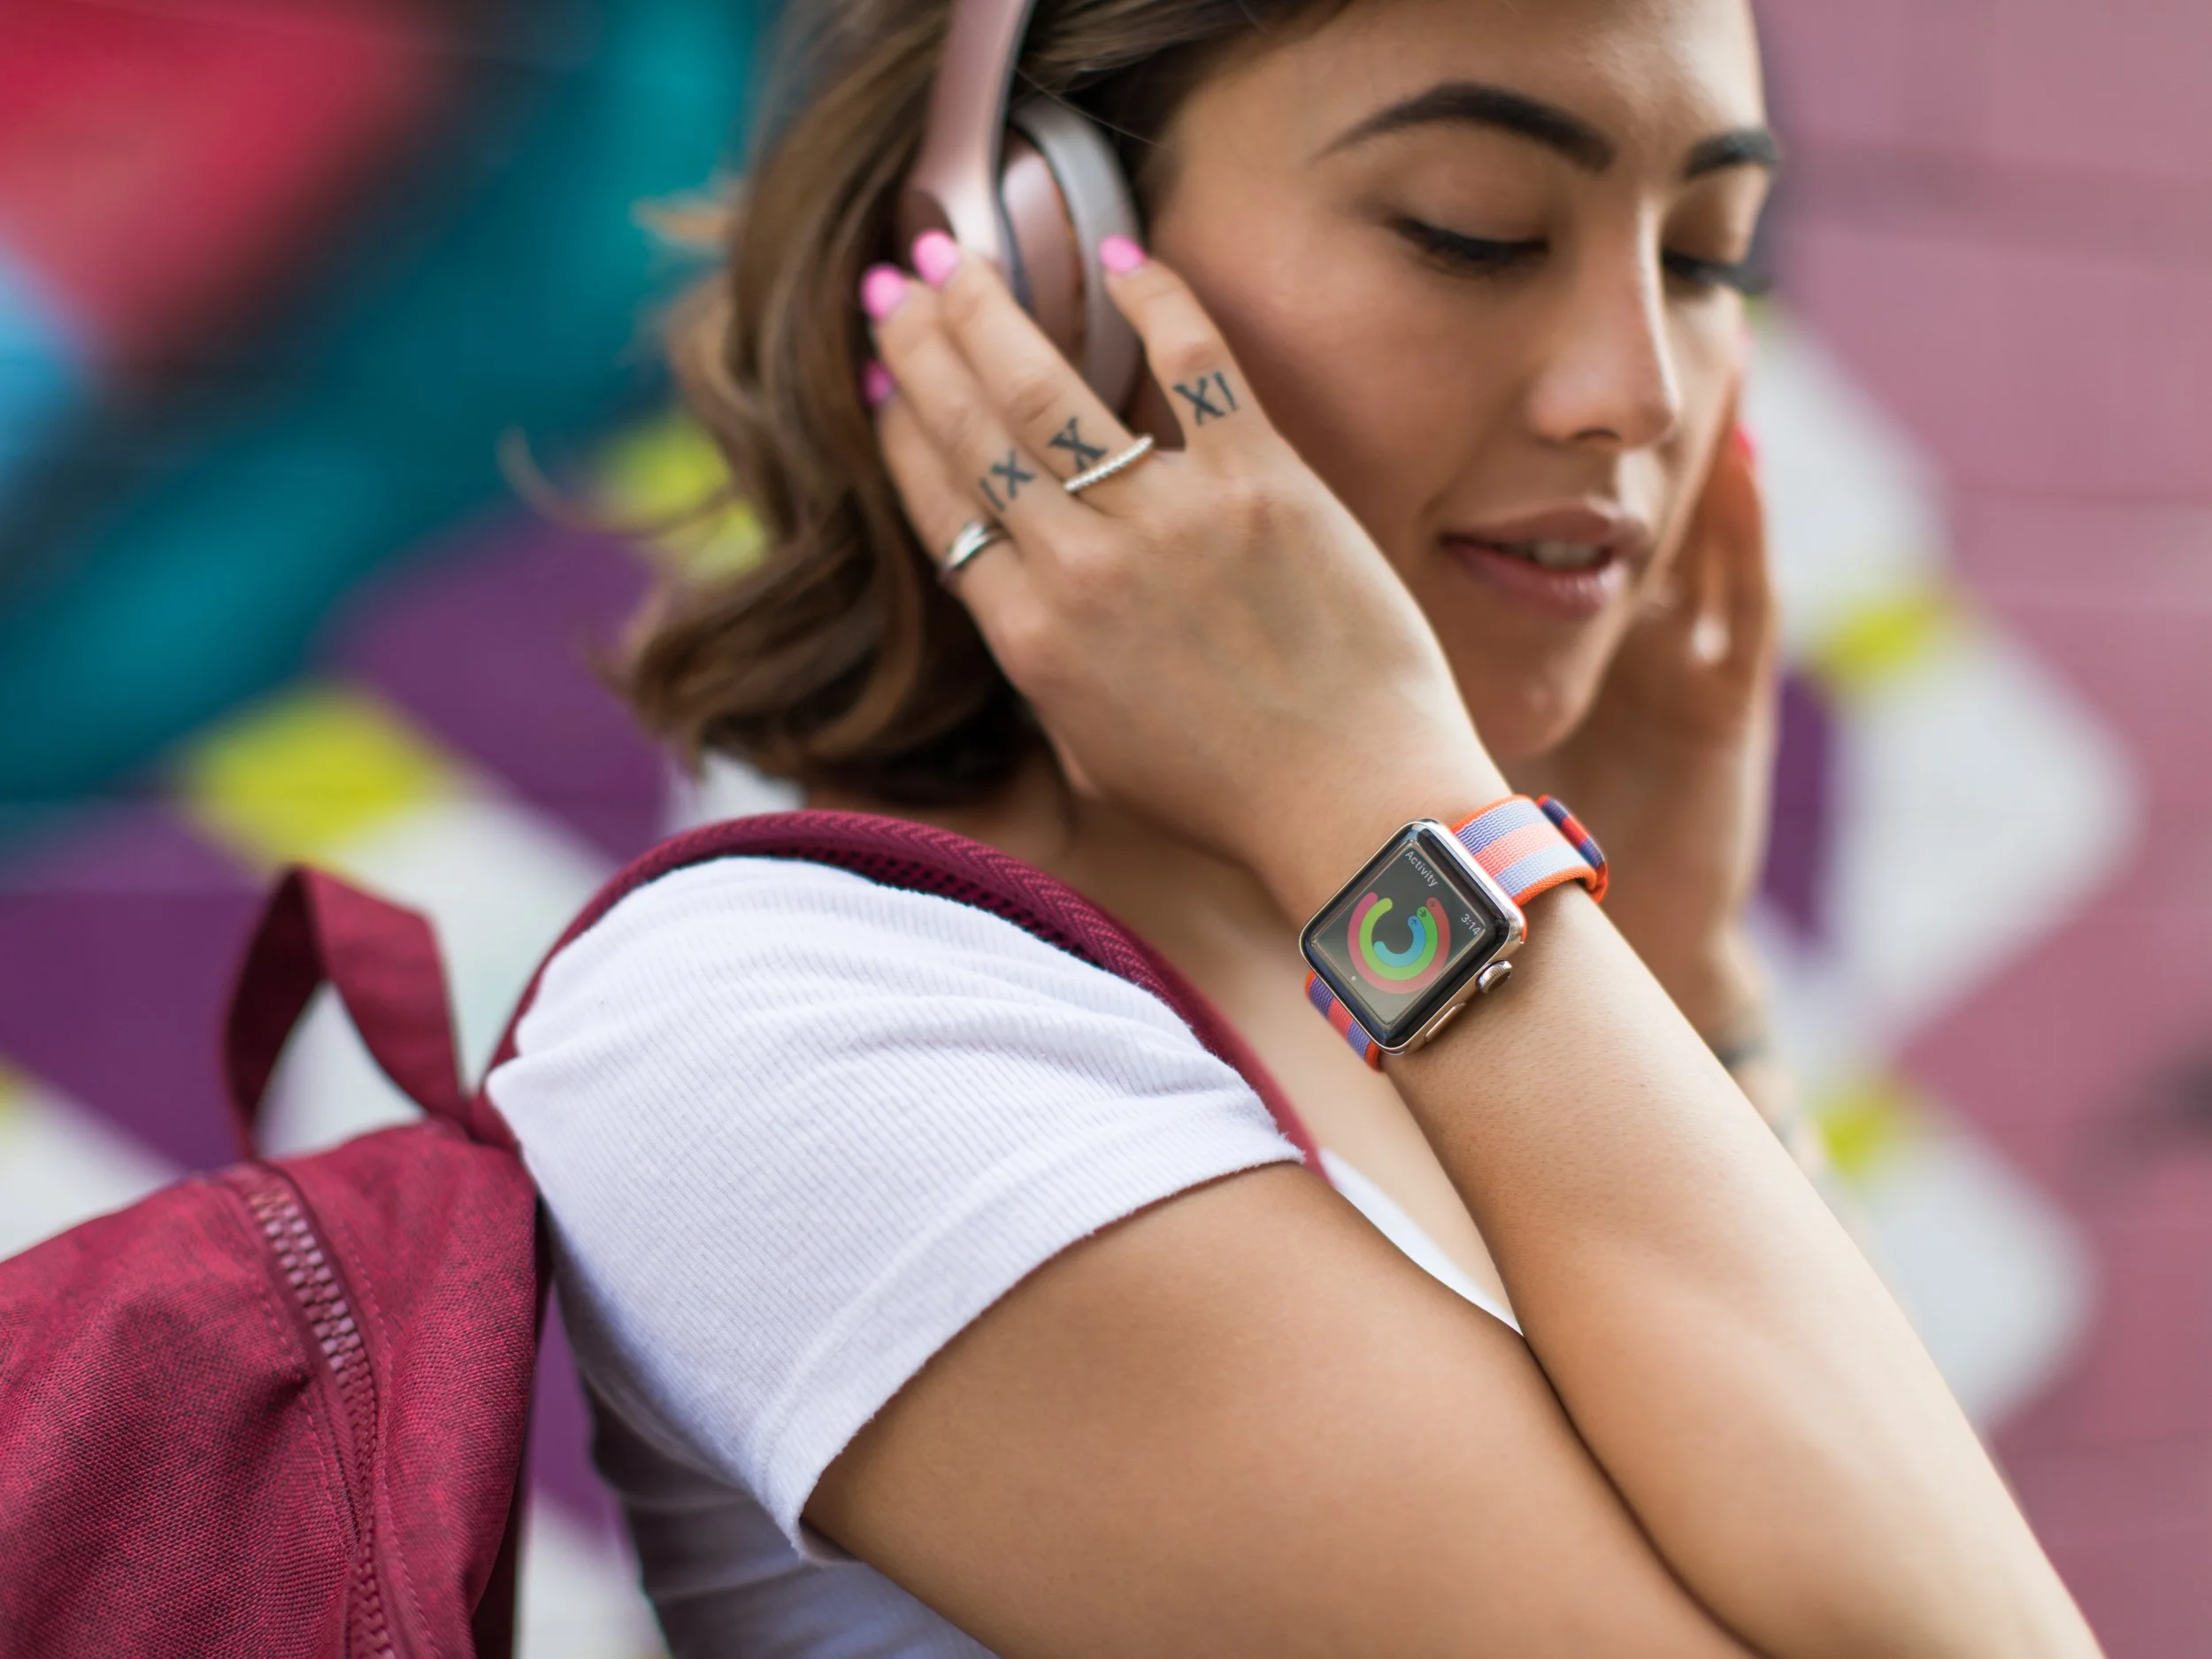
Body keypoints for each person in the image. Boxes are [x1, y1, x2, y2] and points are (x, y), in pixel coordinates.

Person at [489, 0, 2103, 1652]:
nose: (1639, 392)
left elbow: (1889, 1554)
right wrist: (1411, 823)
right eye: (1473, 230)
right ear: (1029, 260)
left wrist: (1684, 980)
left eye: (1707, 259)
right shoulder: (796, 1035)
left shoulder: (1429, 996)